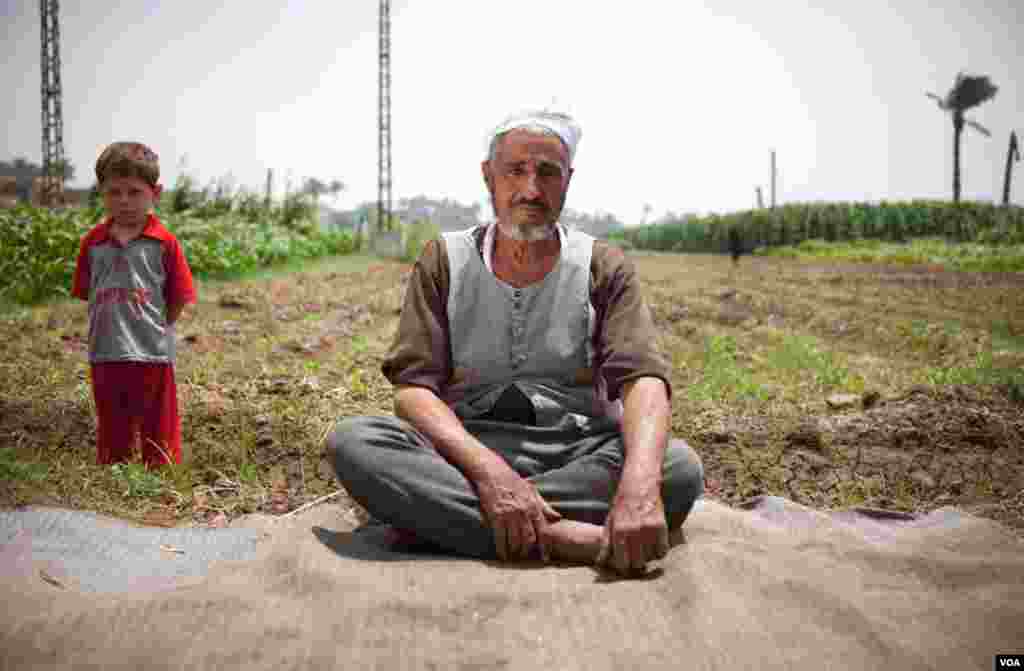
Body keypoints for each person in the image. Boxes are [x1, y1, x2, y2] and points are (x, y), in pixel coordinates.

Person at [327, 109, 703, 577]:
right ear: (489, 177)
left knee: (677, 468)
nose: (531, 189)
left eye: (548, 173)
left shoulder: (603, 265)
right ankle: (561, 537)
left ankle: (452, 520)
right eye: (516, 171)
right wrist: (489, 474)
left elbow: (643, 379)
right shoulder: (444, 260)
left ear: (567, 180)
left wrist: (640, 486)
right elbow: (413, 390)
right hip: (464, 455)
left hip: (578, 453)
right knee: (355, 442)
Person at [71, 142, 196, 469]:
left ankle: (160, 469)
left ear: (155, 193)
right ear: (101, 192)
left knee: (158, 417)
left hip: (153, 349)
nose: (124, 201)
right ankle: (115, 467)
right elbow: (88, 292)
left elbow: (179, 295)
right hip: (105, 349)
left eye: (134, 192)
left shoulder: (164, 243)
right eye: (114, 192)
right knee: (112, 415)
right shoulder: (93, 243)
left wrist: (157, 329)